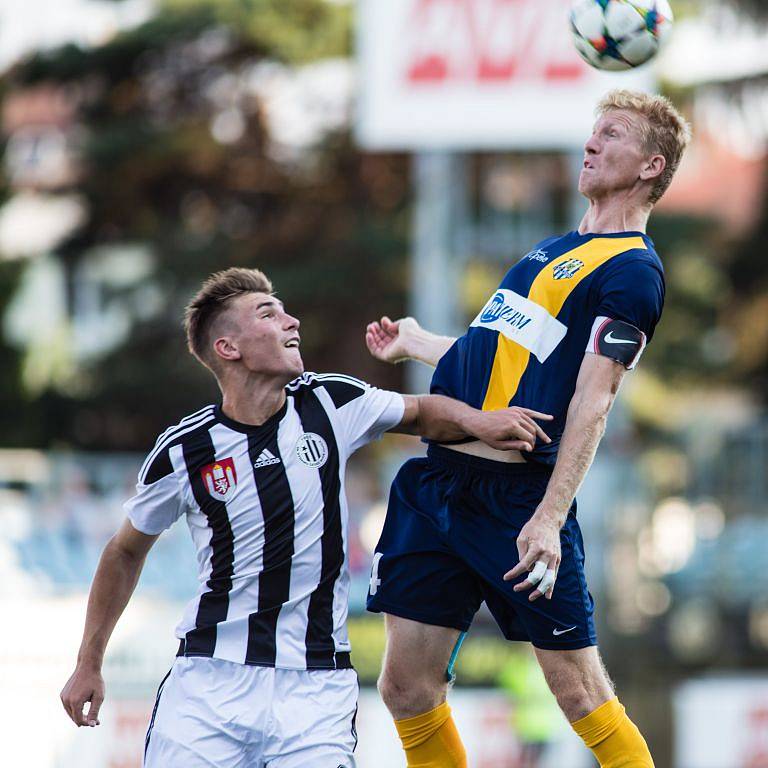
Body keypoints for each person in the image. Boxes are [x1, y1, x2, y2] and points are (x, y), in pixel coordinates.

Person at [59, 267, 551, 767]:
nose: (292, 321)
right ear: (229, 348)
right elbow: (124, 551)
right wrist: (88, 662)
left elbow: (421, 411)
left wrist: (481, 422)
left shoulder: (328, 401)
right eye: (269, 313)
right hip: (210, 683)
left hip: (316, 689)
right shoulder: (185, 451)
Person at [364, 89, 691, 768]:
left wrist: (548, 516)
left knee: (579, 692)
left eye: (612, 135)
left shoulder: (633, 272)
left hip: (514, 503)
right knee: (405, 687)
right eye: (592, 132)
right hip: (436, 485)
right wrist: (422, 344)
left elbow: (594, 400)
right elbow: (509, 357)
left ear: (652, 166)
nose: (591, 143)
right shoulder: (553, 250)